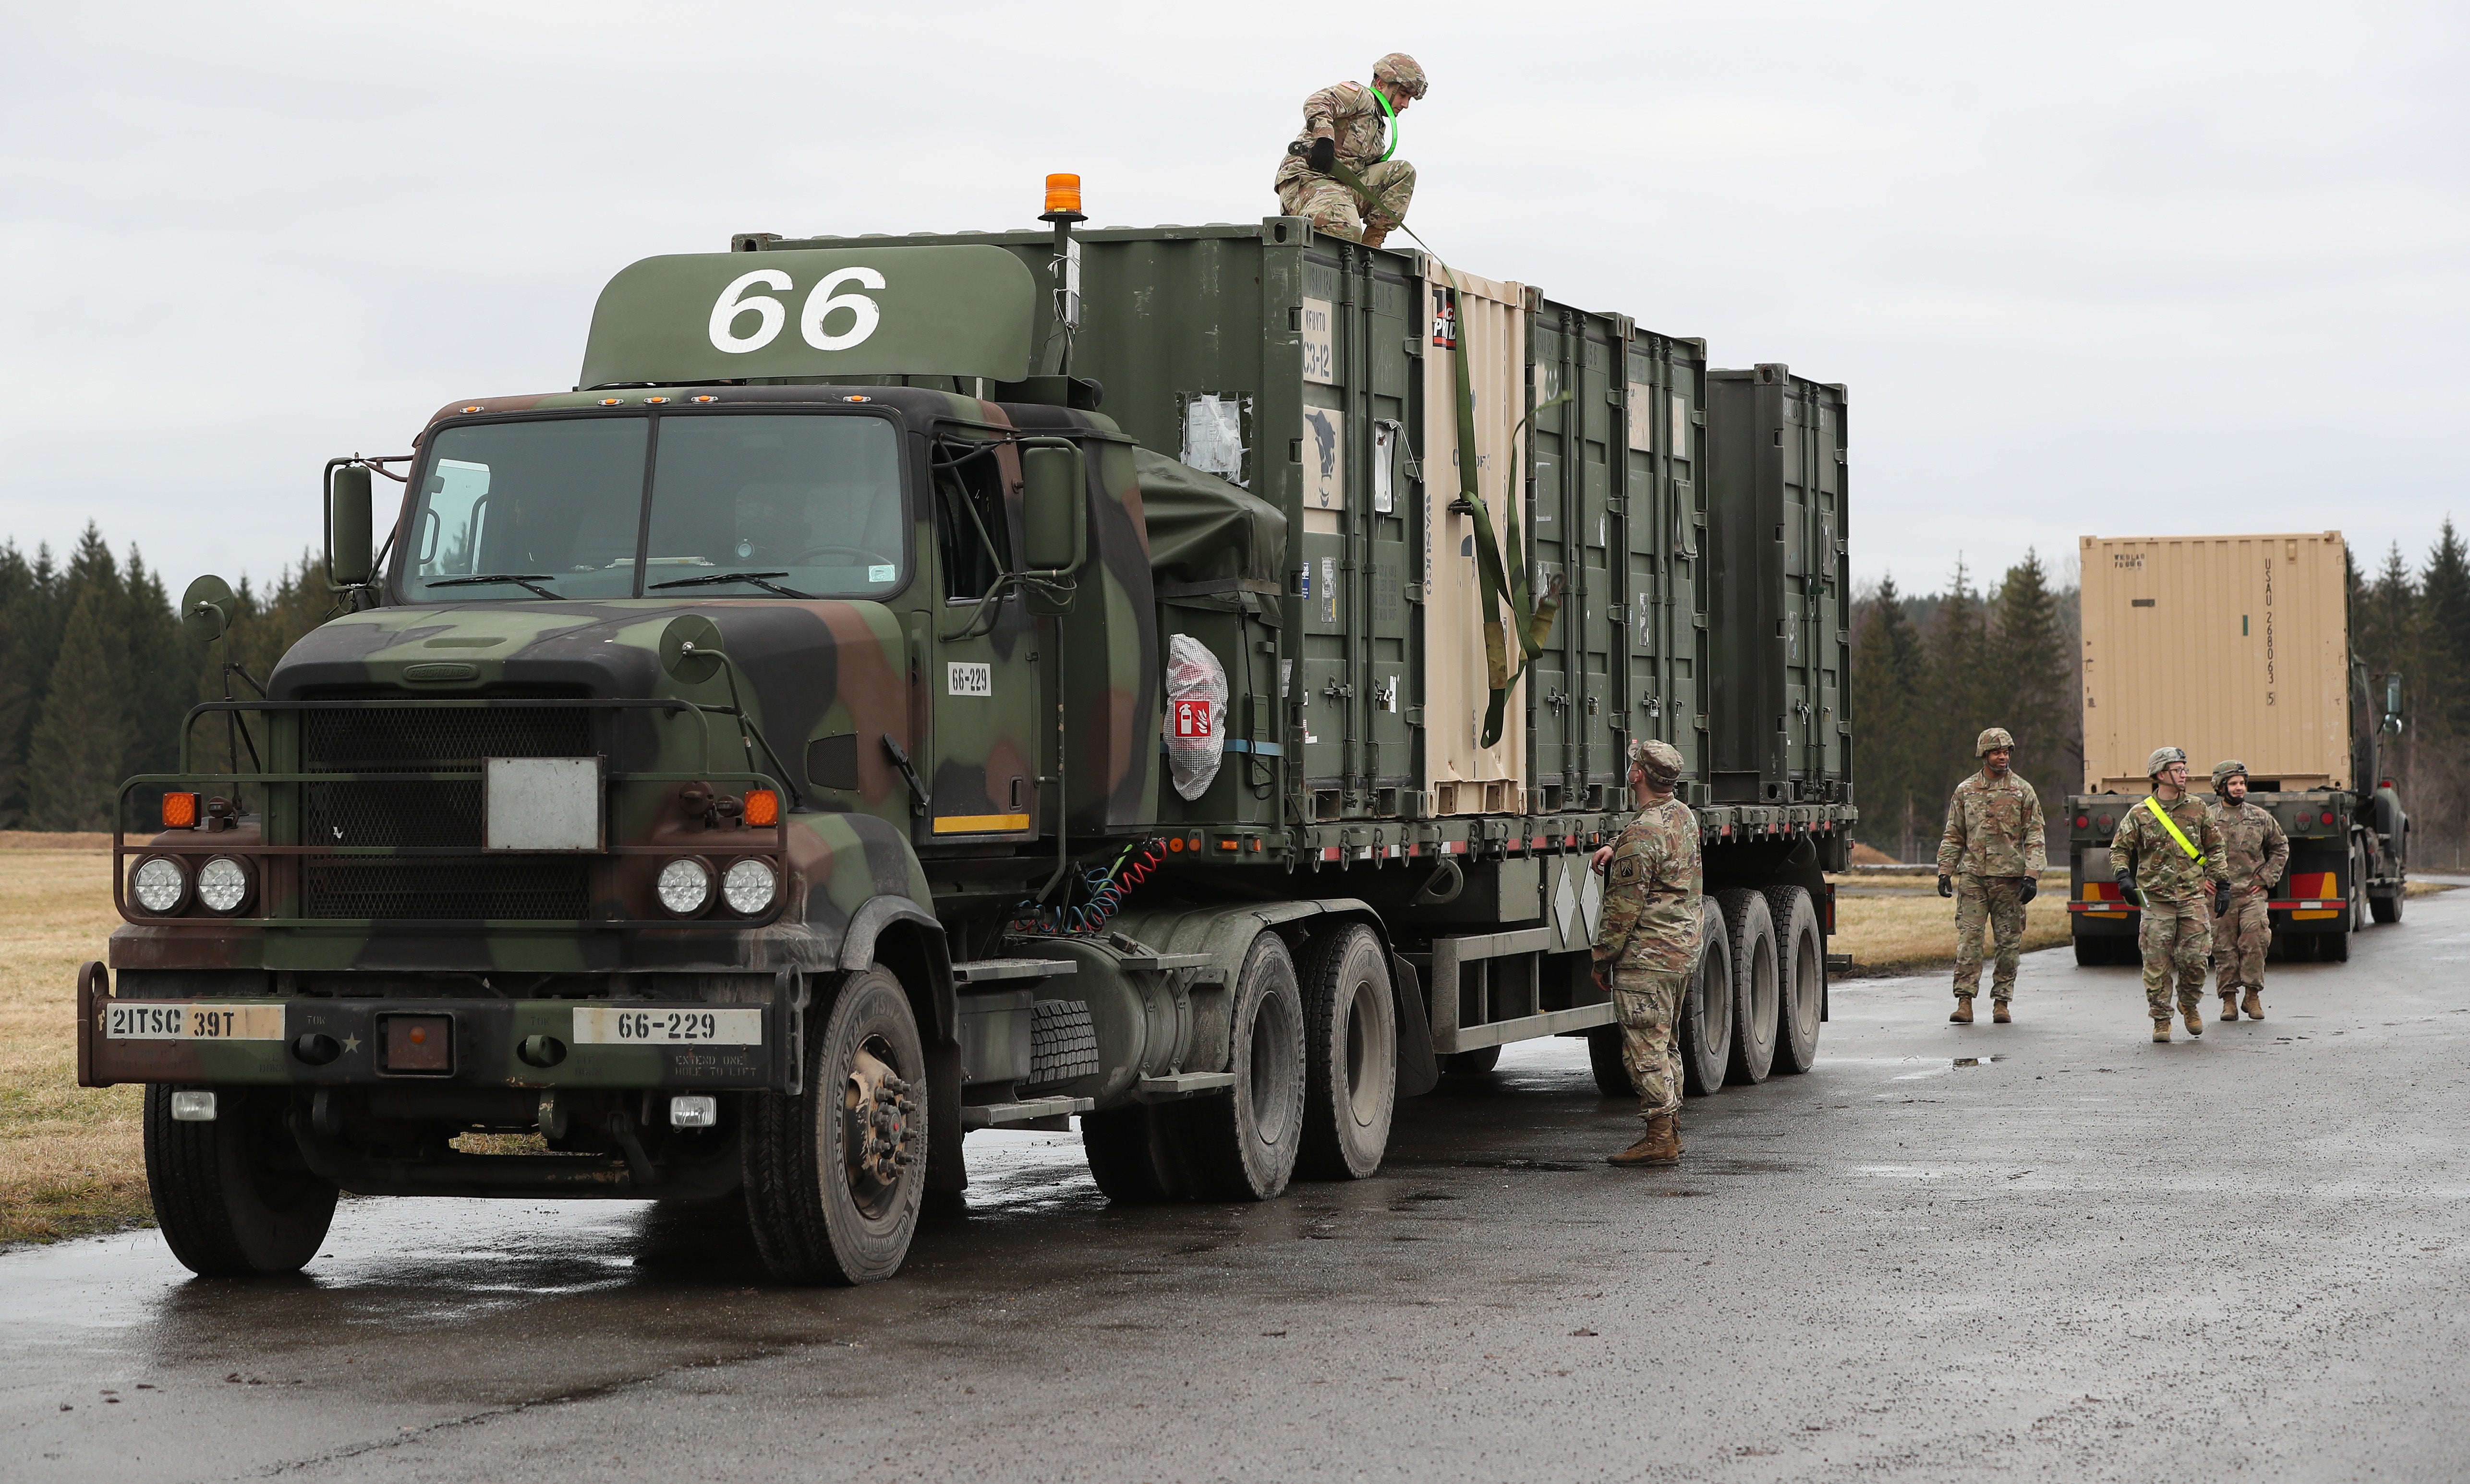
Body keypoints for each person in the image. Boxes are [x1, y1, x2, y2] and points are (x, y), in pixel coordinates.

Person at [1589, 738, 1702, 1168]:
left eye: (1634, 765)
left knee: (1644, 1050)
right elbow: (1657, 839)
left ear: (1638, 775)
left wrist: (1602, 958)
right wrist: (1618, 846)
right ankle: (1670, 1129)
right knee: (1666, 1043)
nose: (1630, 769)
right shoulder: (1683, 817)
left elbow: (1621, 910)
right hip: (1678, 955)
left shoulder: (1642, 833)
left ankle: (1659, 1137)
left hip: (1647, 959)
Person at [2111, 747, 2229, 1043]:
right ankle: (2161, 1019)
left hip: (2191, 898)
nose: (2184, 774)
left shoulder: (2198, 808)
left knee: (2196, 960)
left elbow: (2215, 848)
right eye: (2178, 770)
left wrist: (2223, 883)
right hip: (2155, 900)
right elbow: (2120, 849)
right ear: (2161, 775)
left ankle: (2189, 1006)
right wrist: (2123, 877)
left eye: (2185, 769)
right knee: (2156, 963)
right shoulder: (2140, 814)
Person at [1933, 727, 2046, 1025]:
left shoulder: (2023, 791)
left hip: (2010, 880)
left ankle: (2002, 1002)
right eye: (1997, 752)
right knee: (1969, 940)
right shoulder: (1966, 791)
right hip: (1973, 877)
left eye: (2007, 752)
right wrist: (1945, 870)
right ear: (1985, 755)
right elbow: (1954, 834)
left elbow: (2035, 836)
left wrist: (2032, 875)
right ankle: (1965, 1001)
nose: (2003, 757)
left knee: (2008, 944)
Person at [1274, 53, 1426, 248]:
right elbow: (1318, 102)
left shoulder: (1378, 126)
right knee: (1346, 227)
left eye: (1409, 99)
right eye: (1403, 95)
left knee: (1402, 172)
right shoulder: (1361, 97)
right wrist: (1324, 139)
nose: (1405, 105)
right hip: (1307, 180)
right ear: (1380, 84)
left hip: (1342, 187)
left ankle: (1371, 244)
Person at [2206, 759, 2288, 1022]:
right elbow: (2186, 853)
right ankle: (2228, 1000)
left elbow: (2280, 847)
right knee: (2223, 948)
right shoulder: (2207, 819)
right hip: (2220, 895)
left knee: (2256, 941)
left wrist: (2266, 878)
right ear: (2221, 787)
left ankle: (2252, 996)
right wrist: (2199, 880)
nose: (2240, 788)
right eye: (2233, 784)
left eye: (2242, 783)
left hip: (2252, 894)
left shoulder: (2260, 817)